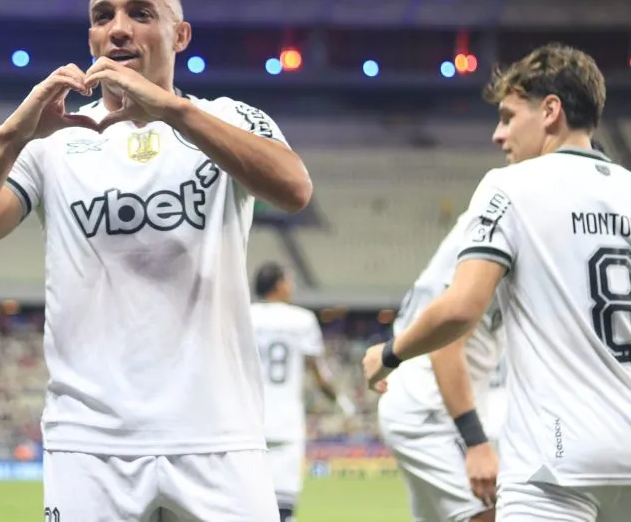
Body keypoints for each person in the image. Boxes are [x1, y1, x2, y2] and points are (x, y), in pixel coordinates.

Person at [0, 0, 314, 521]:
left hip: (219, 436)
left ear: (180, 35)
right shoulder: (53, 143)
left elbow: (295, 189)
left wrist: (171, 110)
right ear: (91, 37)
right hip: (90, 443)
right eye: (103, 16)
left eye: (141, 14)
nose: (119, 29)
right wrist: (10, 136)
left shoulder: (225, 118)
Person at [363, 43, 631, 522]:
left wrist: (388, 354)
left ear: (550, 111)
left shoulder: (511, 186)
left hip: (554, 462)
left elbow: (461, 308)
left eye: (509, 116)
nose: (497, 134)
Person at [377, 209, 506, 522]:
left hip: (426, 401)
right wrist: (476, 442)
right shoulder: (498, 226)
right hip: (435, 409)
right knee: (491, 513)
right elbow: (445, 342)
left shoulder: (488, 218)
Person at [250, 263, 355, 522]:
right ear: (278, 285)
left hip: (249, 419)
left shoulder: (245, 315)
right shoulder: (302, 319)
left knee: (248, 501)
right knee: (284, 505)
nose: (292, 286)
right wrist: (341, 401)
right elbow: (317, 373)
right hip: (286, 420)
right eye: (289, 281)